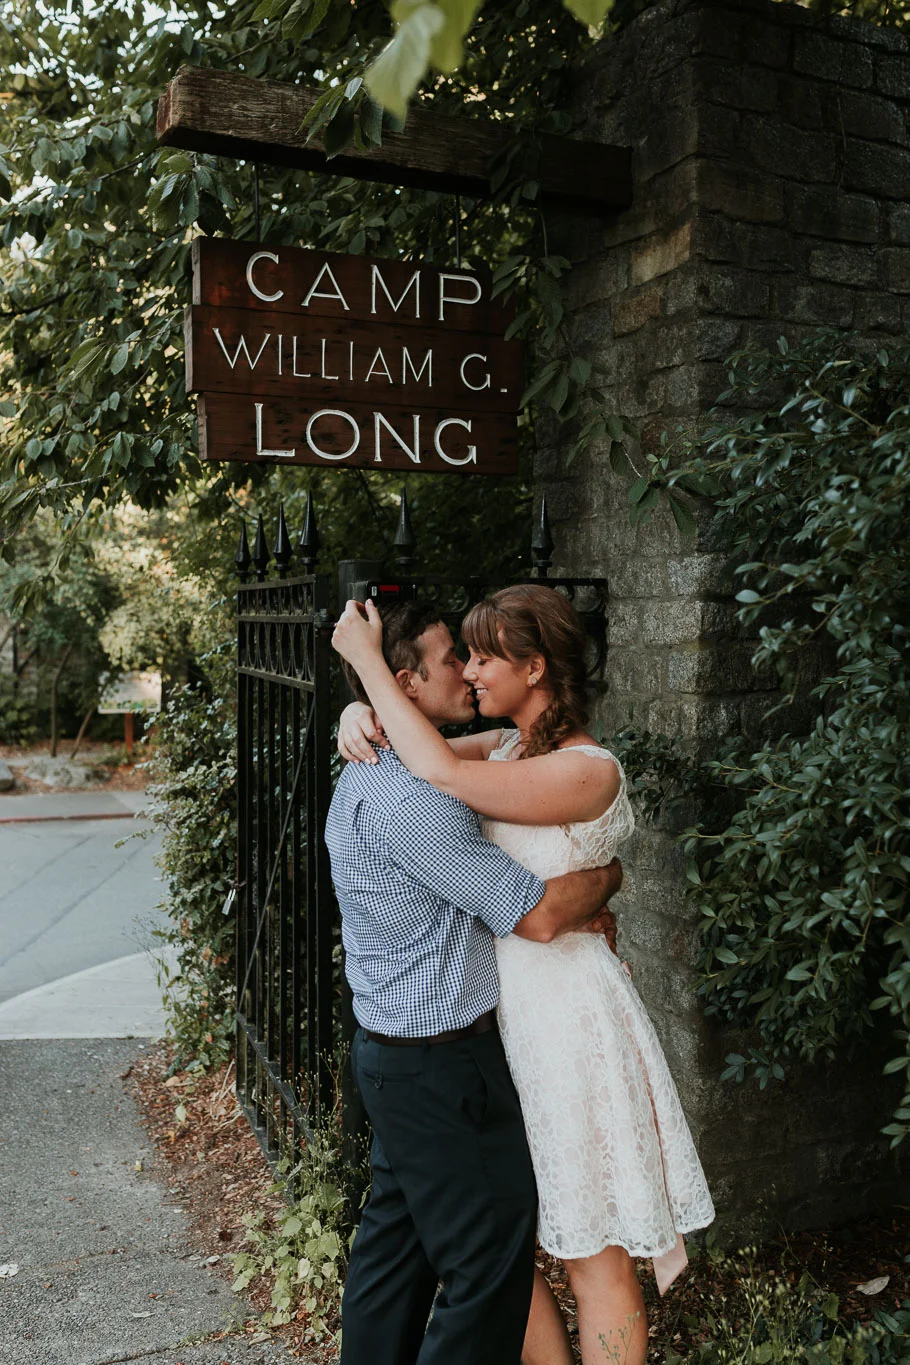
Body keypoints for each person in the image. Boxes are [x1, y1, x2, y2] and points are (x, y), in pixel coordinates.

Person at [334, 584, 715, 1365]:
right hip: (501, 1027)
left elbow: (446, 779)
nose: (470, 671)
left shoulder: (586, 769)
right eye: (460, 656)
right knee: (505, 1242)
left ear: (534, 666)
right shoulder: (499, 750)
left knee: (586, 1250)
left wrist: (369, 674)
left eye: (482, 656)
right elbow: (422, 753)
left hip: (564, 1020)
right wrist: (358, 708)